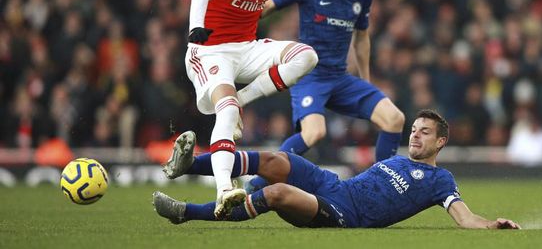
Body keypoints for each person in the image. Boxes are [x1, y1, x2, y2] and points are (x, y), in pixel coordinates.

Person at [169, 0, 319, 219]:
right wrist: (195, 28)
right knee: (226, 108)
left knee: (306, 56)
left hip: (246, 48)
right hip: (209, 51)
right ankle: (224, 189)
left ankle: (242, 99)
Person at [153, 109, 521, 229]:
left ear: (441, 142)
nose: (415, 136)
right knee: (275, 160)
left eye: (424, 133)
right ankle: (188, 164)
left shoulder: (440, 180)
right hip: (334, 185)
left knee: (277, 193)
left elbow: (463, 216)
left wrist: (489, 225)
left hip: (345, 213)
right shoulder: (396, 159)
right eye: (413, 130)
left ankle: (188, 213)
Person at [246, 0, 405, 191]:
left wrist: (365, 81)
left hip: (340, 78)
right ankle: (258, 182)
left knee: (394, 119)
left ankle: (382, 187)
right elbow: (266, 9)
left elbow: (362, 37)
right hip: (309, 75)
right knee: (314, 132)